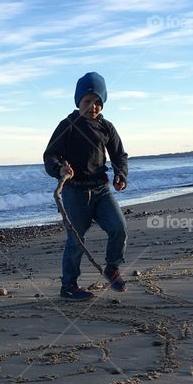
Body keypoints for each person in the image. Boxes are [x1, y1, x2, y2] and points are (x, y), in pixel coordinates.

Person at [43, 72, 129, 301]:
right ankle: (69, 286)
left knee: (118, 227)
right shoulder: (68, 125)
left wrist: (121, 174)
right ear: (78, 101)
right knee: (76, 241)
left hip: (101, 190)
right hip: (75, 192)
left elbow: (119, 155)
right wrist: (60, 169)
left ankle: (112, 267)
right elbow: (50, 155)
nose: (93, 106)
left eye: (98, 102)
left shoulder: (106, 127)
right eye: (87, 101)